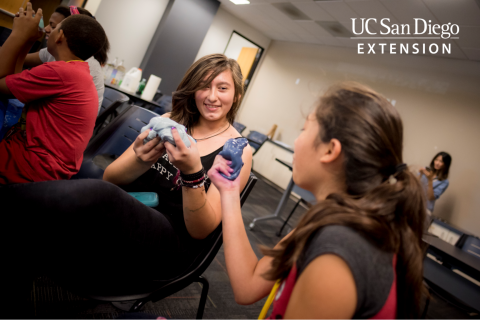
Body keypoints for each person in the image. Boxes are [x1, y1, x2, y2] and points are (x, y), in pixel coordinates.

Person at [0, 54, 252, 295]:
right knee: (33, 234)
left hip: (172, 242)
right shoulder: (170, 121)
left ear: (237, 95)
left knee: (96, 195)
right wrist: (141, 160)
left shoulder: (237, 150)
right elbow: (111, 177)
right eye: (204, 86)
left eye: (222, 88)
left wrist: (192, 173)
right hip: (125, 215)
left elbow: (200, 231)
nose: (211, 96)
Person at [208, 82, 427, 318]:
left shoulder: (339, 249)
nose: (296, 142)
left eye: (304, 130)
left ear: (330, 150)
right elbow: (248, 285)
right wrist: (229, 192)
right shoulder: (331, 220)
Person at [0, 4, 107, 184]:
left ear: (60, 36)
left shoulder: (62, 73)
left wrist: (18, 34)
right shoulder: (76, 70)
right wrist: (27, 40)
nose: (48, 29)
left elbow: (1, 83)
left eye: (55, 27)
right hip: (40, 164)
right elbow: (13, 80)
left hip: (31, 167)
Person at [23, 5, 108, 113]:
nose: (46, 29)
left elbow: (5, 85)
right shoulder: (59, 53)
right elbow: (20, 60)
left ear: (63, 34)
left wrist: (22, 35)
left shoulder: (64, 70)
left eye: (54, 27)